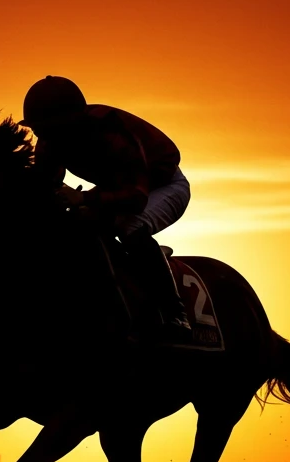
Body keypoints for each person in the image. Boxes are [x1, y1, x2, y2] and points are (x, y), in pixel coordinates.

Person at [20, 76, 193, 343]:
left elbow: (136, 197)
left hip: (162, 185)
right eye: (39, 131)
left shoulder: (110, 131)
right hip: (121, 186)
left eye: (49, 130)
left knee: (130, 227)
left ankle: (175, 313)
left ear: (71, 122)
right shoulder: (51, 139)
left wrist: (83, 198)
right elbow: (43, 185)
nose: (44, 139)